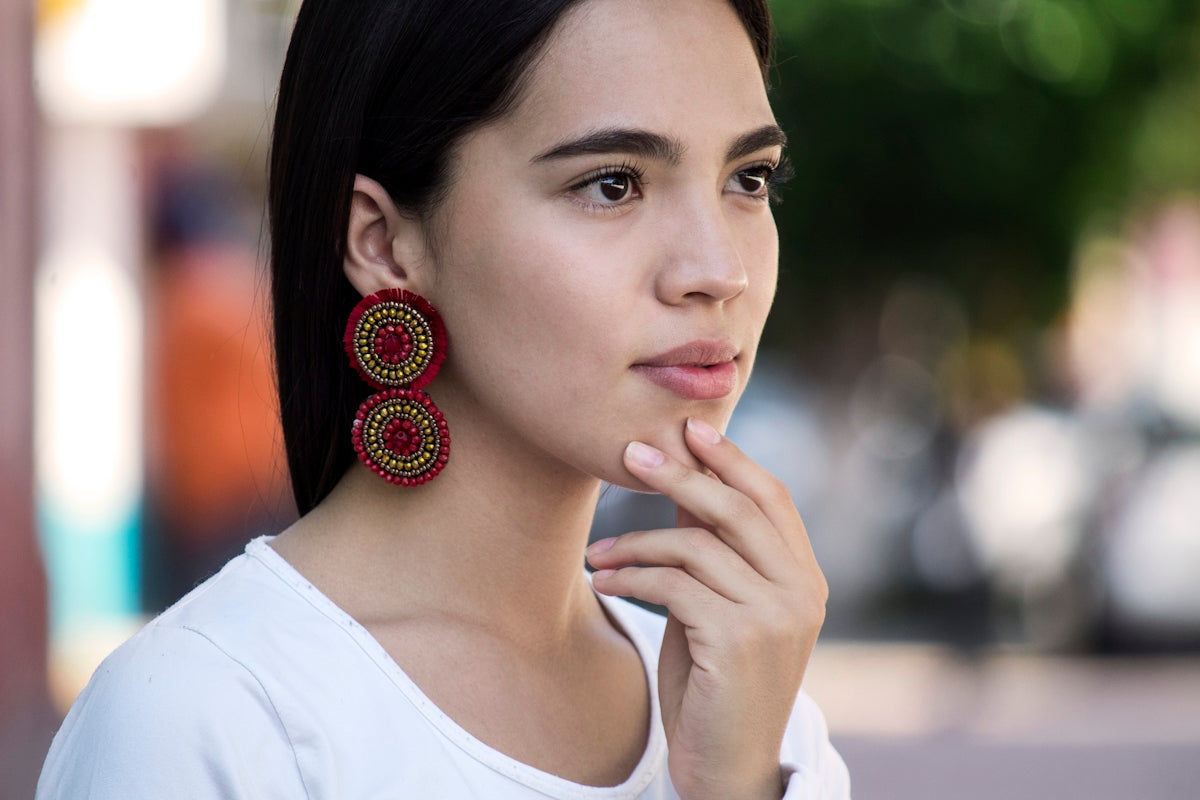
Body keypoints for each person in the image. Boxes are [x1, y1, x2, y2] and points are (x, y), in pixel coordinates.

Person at [37, 0, 851, 797]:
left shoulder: (756, 717)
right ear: (383, 242)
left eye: (748, 178)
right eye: (612, 184)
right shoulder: (207, 718)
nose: (719, 270)